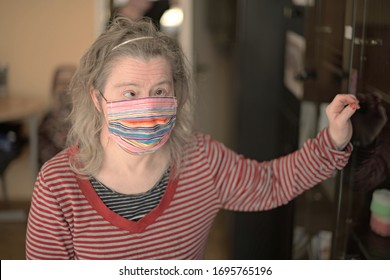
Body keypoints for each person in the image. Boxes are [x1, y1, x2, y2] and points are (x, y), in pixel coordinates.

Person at [26, 17, 359, 260]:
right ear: (97, 99)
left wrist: (333, 139)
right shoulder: (57, 184)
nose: (147, 105)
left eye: (160, 91)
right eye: (129, 93)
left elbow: (271, 183)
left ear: (177, 95)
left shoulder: (202, 159)